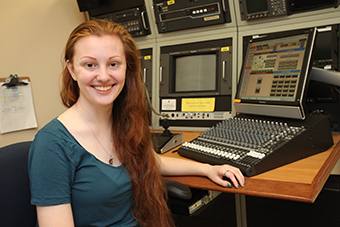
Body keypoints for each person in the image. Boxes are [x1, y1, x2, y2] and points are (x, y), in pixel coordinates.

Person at [28, 19, 245, 227]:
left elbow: (149, 160)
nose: (103, 76)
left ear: (126, 68)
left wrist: (207, 169)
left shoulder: (123, 122)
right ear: (72, 69)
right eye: (90, 65)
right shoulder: (51, 145)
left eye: (113, 64)